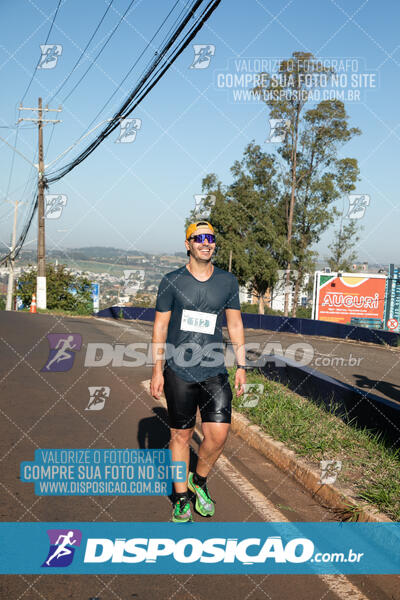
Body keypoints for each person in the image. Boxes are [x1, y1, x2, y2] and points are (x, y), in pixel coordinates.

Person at [150, 220, 246, 522]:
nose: (206, 243)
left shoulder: (228, 282)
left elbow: (234, 324)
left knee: (218, 434)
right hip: (178, 369)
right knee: (181, 435)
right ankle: (180, 499)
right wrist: (156, 369)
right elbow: (160, 326)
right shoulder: (171, 281)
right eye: (199, 238)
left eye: (211, 238)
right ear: (188, 244)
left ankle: (199, 480)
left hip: (214, 368)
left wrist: (242, 365)